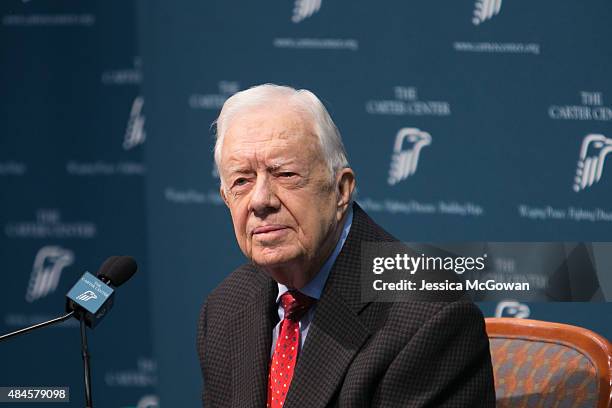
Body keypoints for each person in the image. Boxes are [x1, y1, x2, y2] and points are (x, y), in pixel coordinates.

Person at [197, 84, 495, 407]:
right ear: (226, 199)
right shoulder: (225, 309)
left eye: (284, 174)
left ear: (341, 191)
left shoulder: (428, 316)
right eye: (242, 181)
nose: (260, 200)